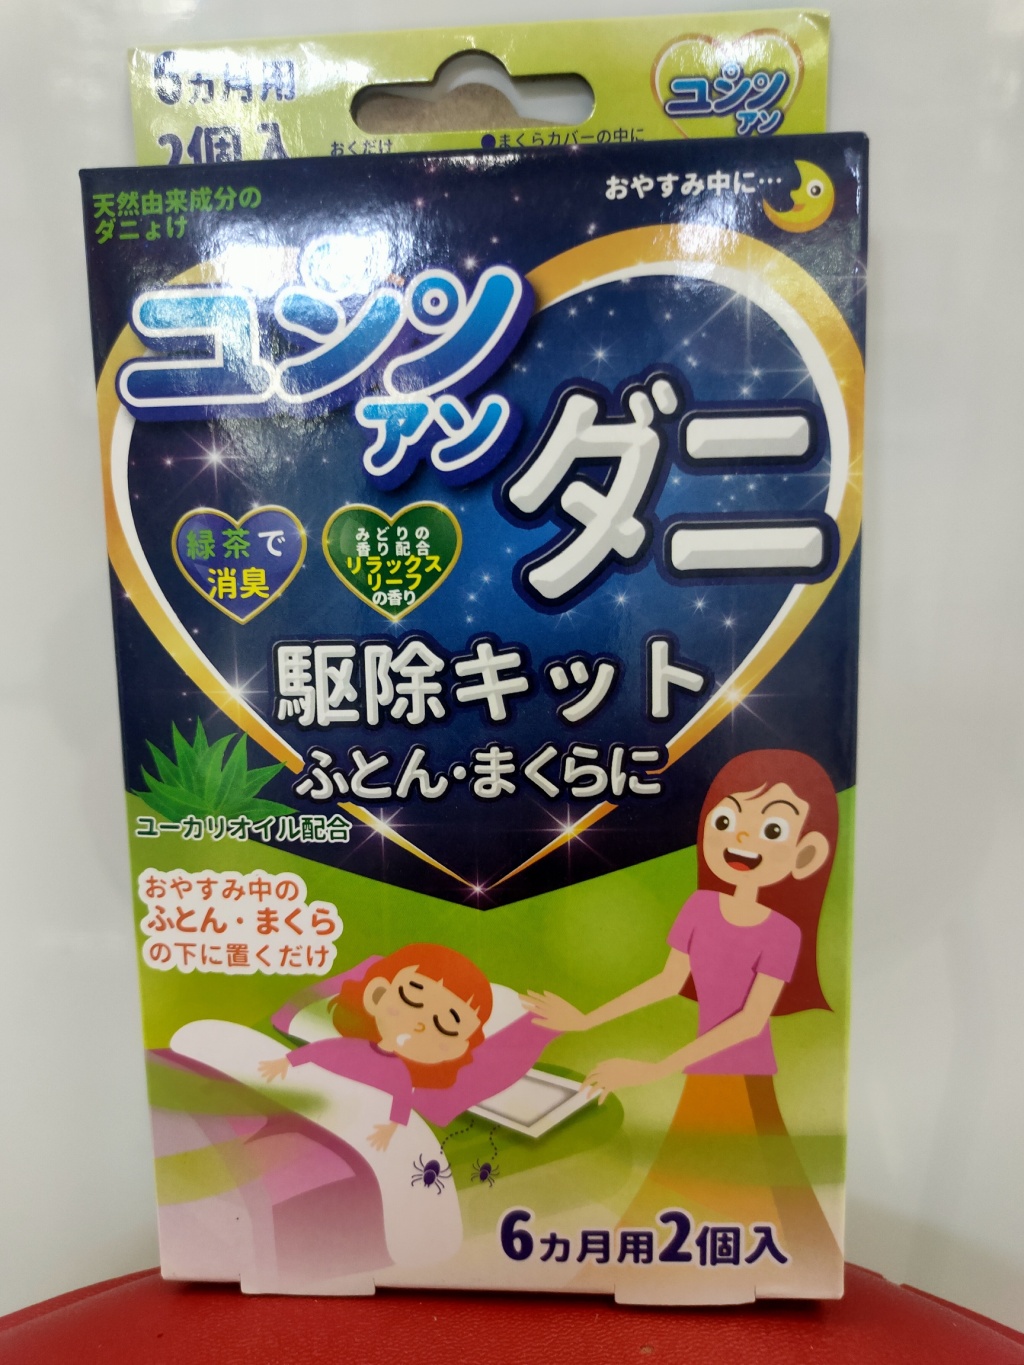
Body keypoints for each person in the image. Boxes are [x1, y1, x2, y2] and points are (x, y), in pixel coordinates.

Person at [524, 749, 843, 1281]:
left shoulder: (781, 933)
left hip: (743, 1075)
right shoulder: (699, 908)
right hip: (703, 1070)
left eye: (771, 829)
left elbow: (749, 1021)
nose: (742, 838)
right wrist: (586, 1021)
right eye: (727, 820)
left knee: (745, 1187)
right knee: (698, 1183)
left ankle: (774, 1271)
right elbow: (668, 983)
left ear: (805, 854)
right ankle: (670, 1268)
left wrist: (654, 1069)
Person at [259, 942, 492, 1151]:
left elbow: (401, 1101)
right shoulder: (351, 1047)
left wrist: (389, 1129)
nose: (420, 1025)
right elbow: (319, 1051)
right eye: (410, 999)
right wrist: (285, 1062)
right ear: (377, 995)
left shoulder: (400, 1075)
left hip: (354, 1128)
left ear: (456, 1049)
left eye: (444, 1026)